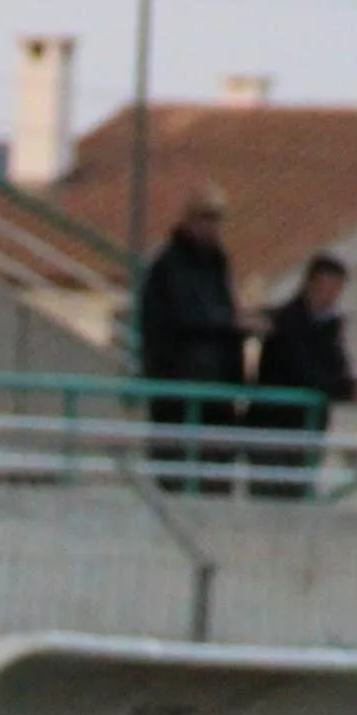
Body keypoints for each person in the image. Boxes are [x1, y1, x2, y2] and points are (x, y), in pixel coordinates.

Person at [140, 185, 246, 495]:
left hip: (216, 400)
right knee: (178, 483)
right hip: (178, 396)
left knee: (214, 486)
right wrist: (229, 323)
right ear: (189, 219)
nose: (211, 227)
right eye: (204, 218)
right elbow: (181, 319)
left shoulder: (216, 266)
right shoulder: (169, 266)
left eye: (215, 219)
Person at [247, 253, 357, 498]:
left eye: (336, 288)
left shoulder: (330, 326)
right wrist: (348, 389)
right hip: (274, 425)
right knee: (271, 497)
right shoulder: (285, 322)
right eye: (327, 286)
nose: (331, 295)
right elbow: (303, 371)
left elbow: (337, 366)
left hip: (307, 426)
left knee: (297, 495)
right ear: (310, 283)